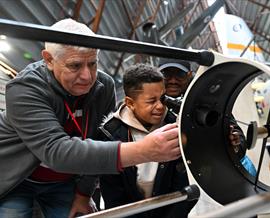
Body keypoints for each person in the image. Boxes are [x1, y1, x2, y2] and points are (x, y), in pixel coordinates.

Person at [0, 19, 180, 218]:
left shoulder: (103, 86)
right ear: (49, 60)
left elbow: (99, 139)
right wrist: (145, 151)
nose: (87, 76)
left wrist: (84, 193)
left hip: (63, 183)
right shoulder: (24, 89)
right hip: (18, 181)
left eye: (93, 63)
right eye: (75, 65)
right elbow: (57, 151)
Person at [99, 64, 195, 217]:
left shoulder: (176, 126)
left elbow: (184, 184)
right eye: (151, 101)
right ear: (130, 103)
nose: (160, 106)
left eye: (163, 98)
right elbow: (113, 196)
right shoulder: (110, 134)